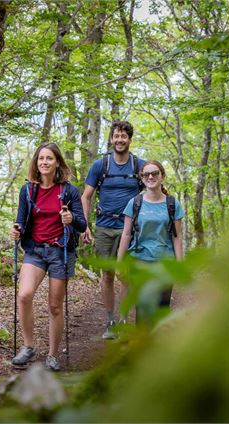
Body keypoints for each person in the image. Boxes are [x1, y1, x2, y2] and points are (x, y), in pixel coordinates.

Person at [10, 142, 86, 371]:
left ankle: (53, 355)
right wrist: (17, 230)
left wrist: (71, 218)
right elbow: (21, 221)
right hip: (35, 250)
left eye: (49, 158)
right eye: (41, 158)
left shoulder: (69, 191)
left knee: (54, 306)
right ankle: (28, 347)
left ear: (57, 163)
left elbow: (82, 225)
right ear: (36, 162)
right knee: (24, 295)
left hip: (60, 251)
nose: (44, 162)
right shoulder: (28, 190)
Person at [81, 120, 146, 339]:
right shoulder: (101, 165)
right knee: (107, 274)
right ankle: (110, 320)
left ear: (129, 139)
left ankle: (123, 319)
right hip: (104, 228)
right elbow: (86, 196)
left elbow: (153, 195)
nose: (120, 140)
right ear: (111, 139)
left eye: (124, 136)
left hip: (130, 229)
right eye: (116, 136)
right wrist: (85, 225)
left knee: (125, 275)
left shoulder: (139, 166)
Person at [116, 160, 184, 318]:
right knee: (143, 309)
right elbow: (126, 235)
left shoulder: (172, 204)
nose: (151, 177)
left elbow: (177, 236)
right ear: (141, 178)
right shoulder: (135, 203)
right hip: (140, 261)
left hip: (165, 262)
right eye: (146, 174)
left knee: (162, 309)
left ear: (162, 176)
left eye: (155, 173)